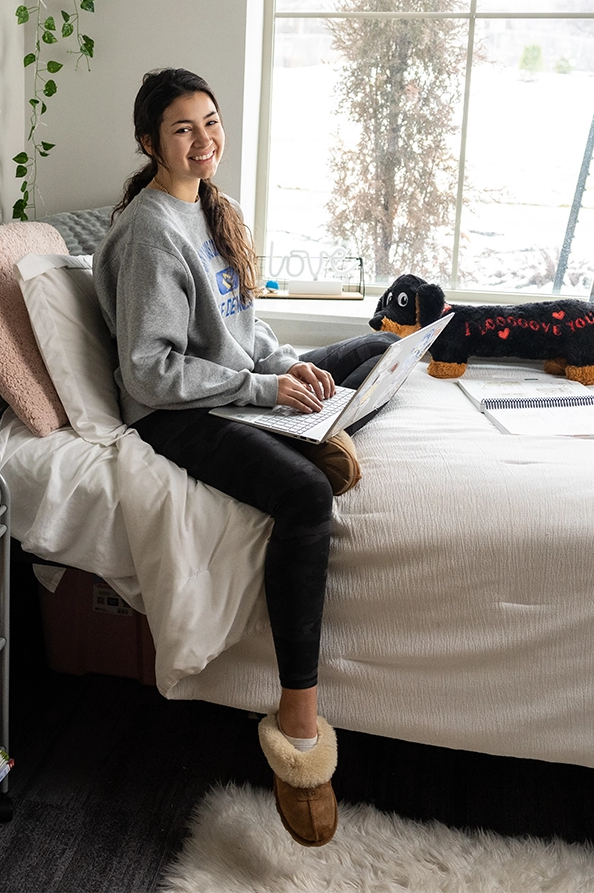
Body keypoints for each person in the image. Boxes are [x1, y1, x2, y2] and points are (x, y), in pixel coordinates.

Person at [93, 68, 395, 848]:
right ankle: (298, 721)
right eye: (183, 130)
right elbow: (149, 373)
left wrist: (291, 369)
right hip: (175, 416)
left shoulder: (211, 211)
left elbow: (246, 333)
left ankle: (320, 425)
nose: (204, 141)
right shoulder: (150, 233)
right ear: (149, 143)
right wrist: (263, 392)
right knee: (303, 501)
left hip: (234, 391)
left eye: (211, 123)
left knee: (374, 349)